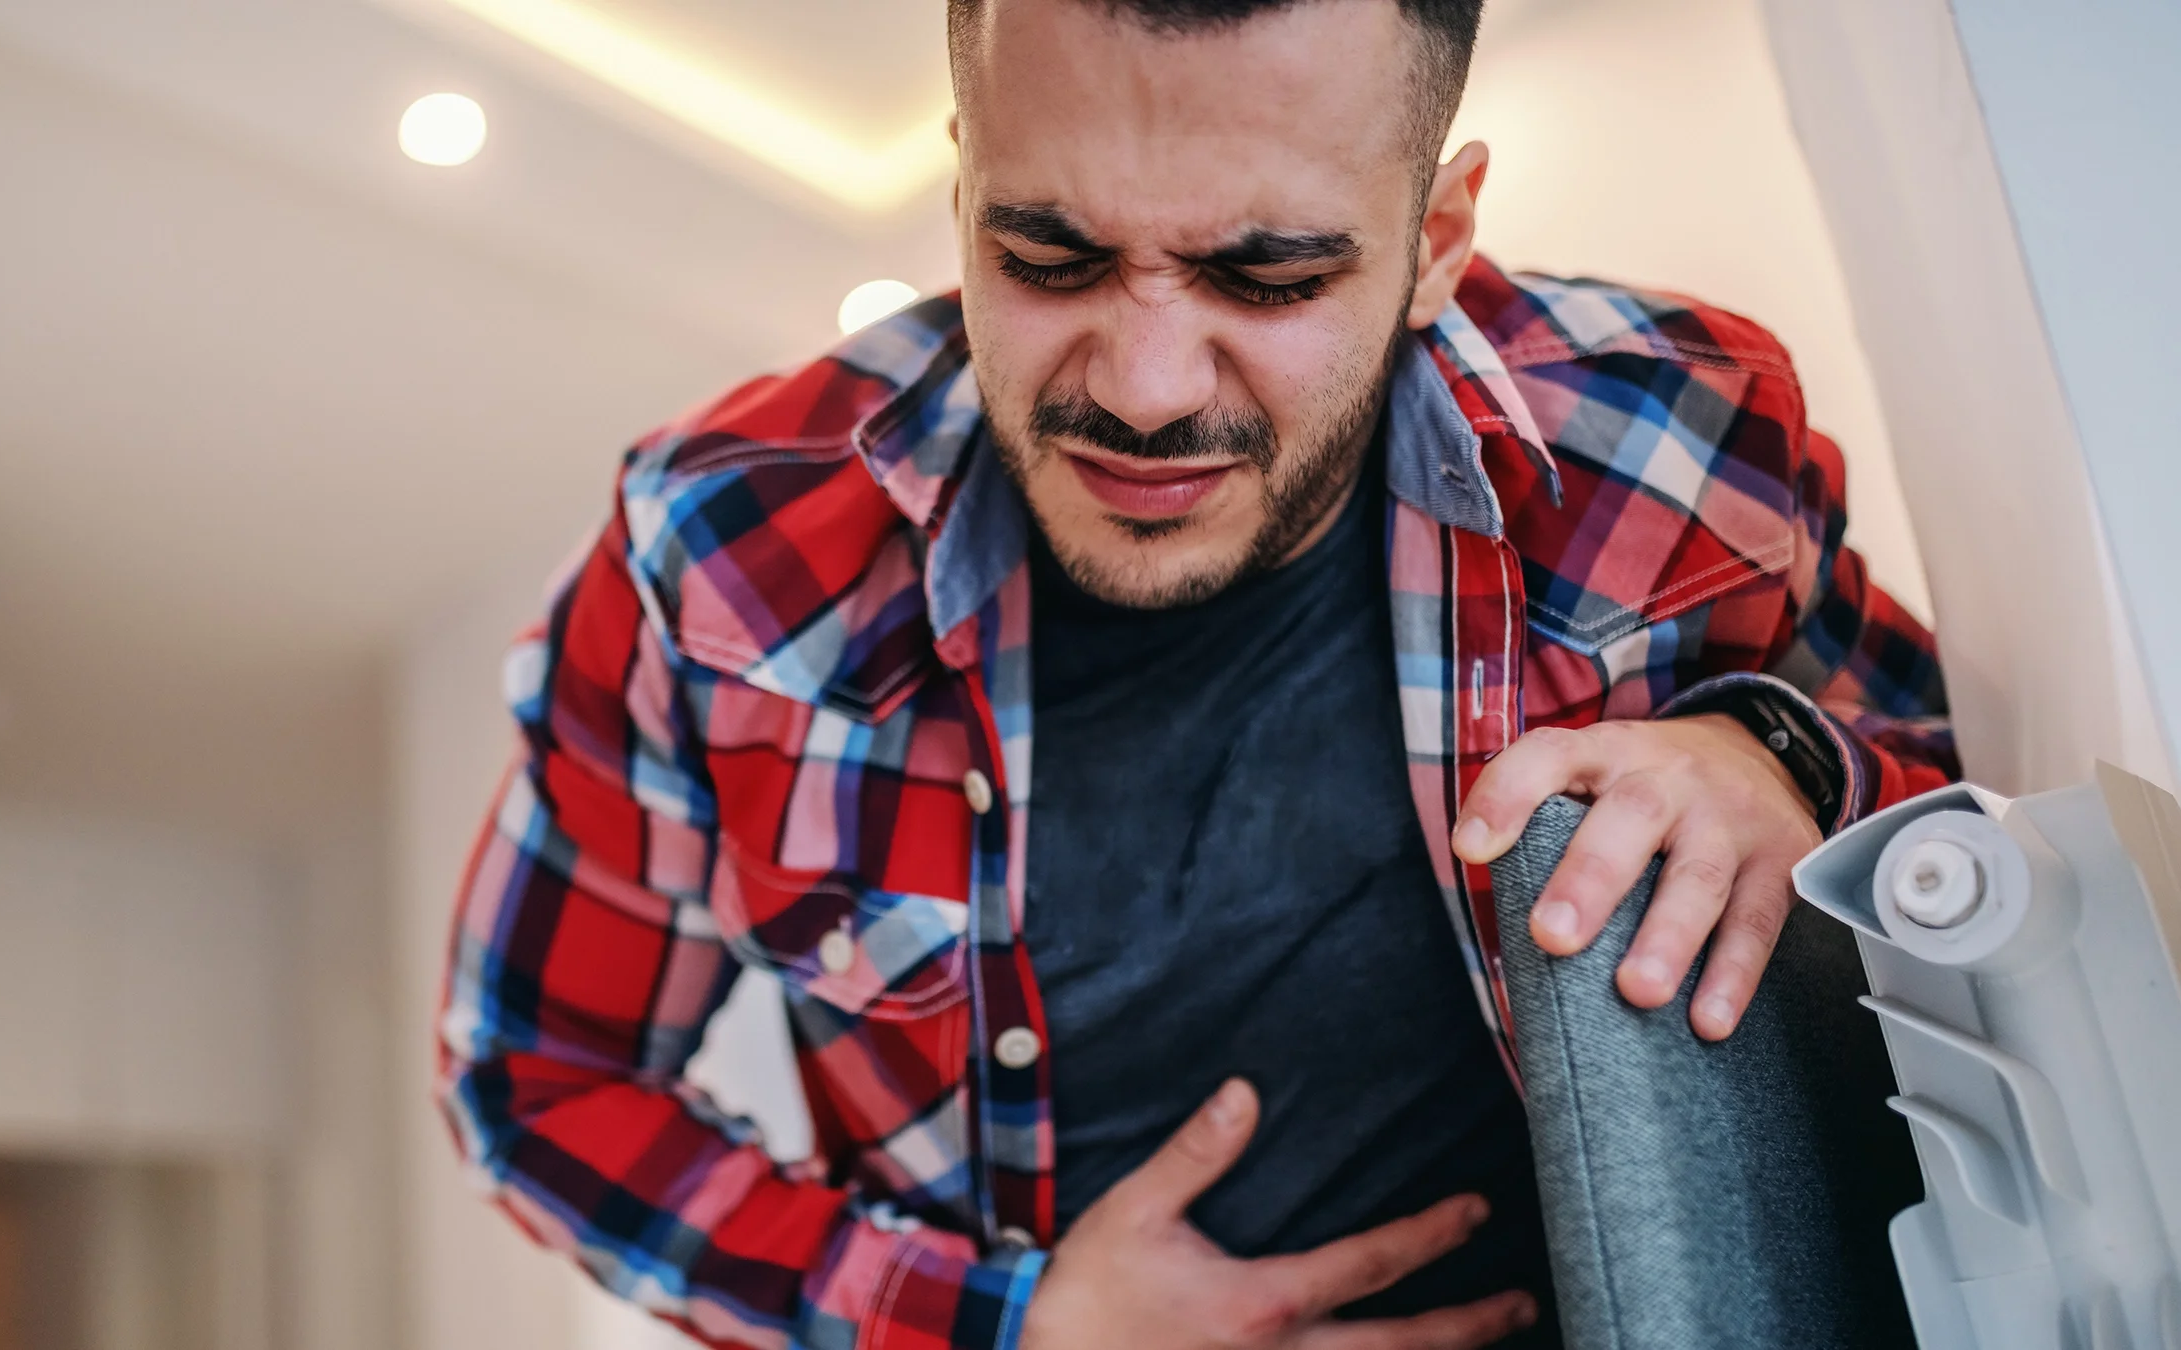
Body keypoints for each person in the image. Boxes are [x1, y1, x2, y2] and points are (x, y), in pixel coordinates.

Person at [434, 1, 1959, 1346]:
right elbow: (535, 1075)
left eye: (1269, 277)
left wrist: (1793, 764)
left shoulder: (1683, 434)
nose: (1145, 389)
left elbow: (1966, 783)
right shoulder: (713, 560)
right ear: (963, 185)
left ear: (1435, 241)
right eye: (1048, 256)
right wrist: (1001, 1327)